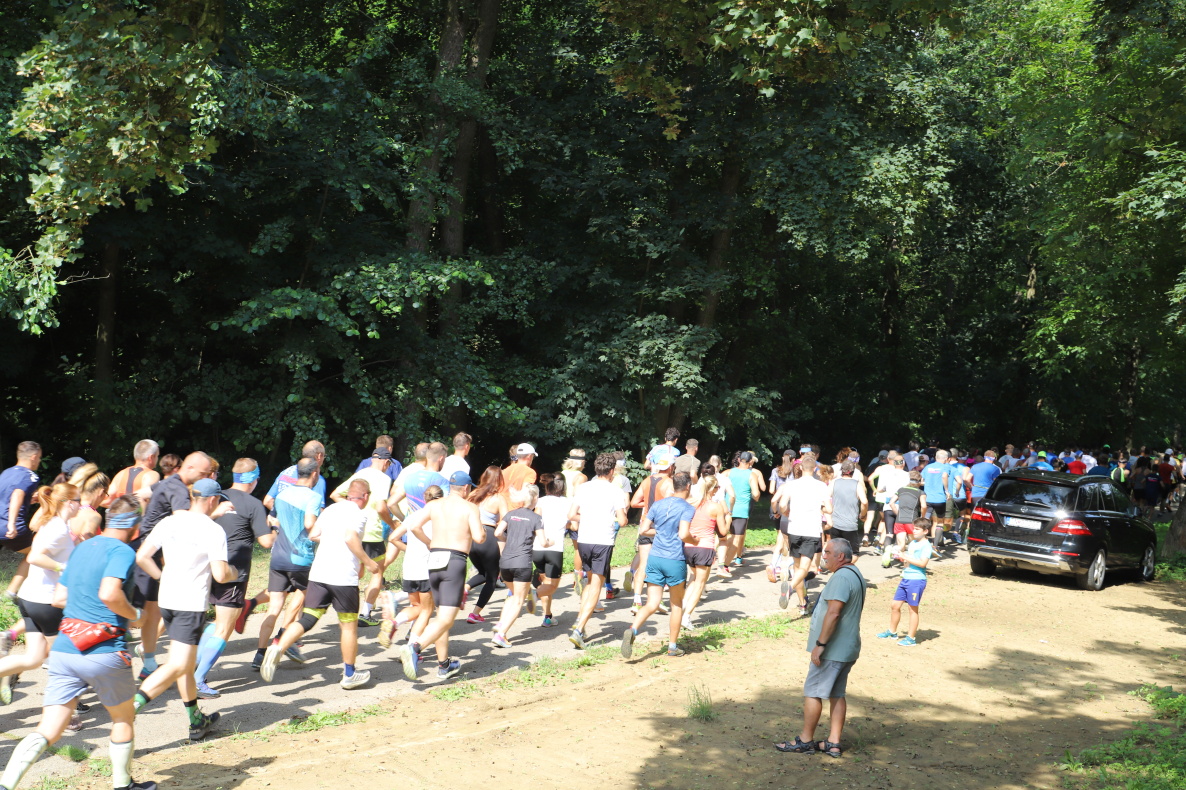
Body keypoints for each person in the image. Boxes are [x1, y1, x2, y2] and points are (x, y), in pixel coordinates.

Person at [0, 495, 156, 790]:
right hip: (105, 651)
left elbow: (60, 597)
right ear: (135, 526)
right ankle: (123, 785)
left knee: (48, 729)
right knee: (123, 719)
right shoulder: (122, 552)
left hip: (65, 648)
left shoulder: (83, 547)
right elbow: (110, 593)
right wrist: (136, 615)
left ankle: (5, 785)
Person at [133, 478, 232, 741]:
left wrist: (162, 578)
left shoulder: (169, 522)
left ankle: (196, 720)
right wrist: (233, 571)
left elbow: (142, 556)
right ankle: (132, 707)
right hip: (190, 604)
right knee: (178, 664)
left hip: (167, 601)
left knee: (186, 665)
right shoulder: (213, 529)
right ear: (213, 500)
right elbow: (221, 574)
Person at [261, 479, 381, 688]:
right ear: (365, 496)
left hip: (319, 574)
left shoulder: (331, 509)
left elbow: (314, 534)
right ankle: (349, 674)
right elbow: (350, 537)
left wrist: (332, 539)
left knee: (308, 618)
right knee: (348, 626)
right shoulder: (359, 513)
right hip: (343, 577)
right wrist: (368, 562)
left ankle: (277, 648)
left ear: (348, 494)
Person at [774, 537, 866, 758]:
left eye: (827, 553)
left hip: (833, 649)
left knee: (813, 692)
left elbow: (833, 613)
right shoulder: (854, 573)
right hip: (847, 648)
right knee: (837, 694)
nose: (823, 556)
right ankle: (833, 743)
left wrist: (820, 645)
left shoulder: (842, 577)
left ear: (840, 556)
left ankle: (805, 741)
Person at [0, 484, 84, 711]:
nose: (81, 505)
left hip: (29, 599)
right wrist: (63, 568)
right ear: (69, 503)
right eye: (78, 500)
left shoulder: (52, 524)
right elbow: (35, 557)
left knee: (34, 659)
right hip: (45, 602)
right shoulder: (57, 528)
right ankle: (69, 715)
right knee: (64, 660)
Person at [195, 458, 273, 698]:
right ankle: (197, 680)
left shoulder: (216, 497)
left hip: (207, 568)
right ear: (254, 480)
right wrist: (277, 530)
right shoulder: (253, 504)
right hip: (233, 573)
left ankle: (191, 669)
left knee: (218, 622)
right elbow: (266, 542)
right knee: (224, 627)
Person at [133, 451, 214, 681]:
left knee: (152, 611)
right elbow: (185, 522)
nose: (206, 477)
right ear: (189, 468)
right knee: (144, 612)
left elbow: (144, 493)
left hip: (151, 548)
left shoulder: (169, 482)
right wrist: (215, 513)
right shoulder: (178, 489)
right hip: (152, 553)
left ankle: (149, 663)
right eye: (204, 473)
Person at [398, 471, 483, 680]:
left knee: (441, 616)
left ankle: (444, 664)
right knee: (446, 618)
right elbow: (479, 537)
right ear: (466, 488)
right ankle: (415, 648)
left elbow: (414, 526)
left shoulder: (434, 505)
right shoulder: (470, 508)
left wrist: (429, 542)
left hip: (434, 559)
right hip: (454, 561)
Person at [252, 458, 321, 671]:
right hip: (300, 558)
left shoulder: (282, 495)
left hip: (278, 557)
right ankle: (283, 637)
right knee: (303, 595)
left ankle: (259, 654)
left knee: (274, 607)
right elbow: (309, 524)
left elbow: (272, 520)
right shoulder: (313, 497)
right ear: (314, 473)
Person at [620, 472, 694, 659]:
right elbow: (684, 534)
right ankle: (672, 647)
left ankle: (633, 629)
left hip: (655, 558)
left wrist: (660, 532)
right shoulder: (687, 508)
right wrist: (695, 539)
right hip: (674, 559)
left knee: (652, 603)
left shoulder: (657, 504)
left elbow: (644, 530)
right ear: (687, 486)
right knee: (676, 605)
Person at [567, 453, 629, 649]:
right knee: (596, 585)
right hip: (603, 541)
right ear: (611, 471)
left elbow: (571, 515)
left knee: (589, 582)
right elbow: (623, 521)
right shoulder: (615, 491)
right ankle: (578, 630)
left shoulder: (584, 487)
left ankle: (580, 620)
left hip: (584, 540)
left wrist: (588, 518)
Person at [330, 448, 397, 625]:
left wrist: (353, 508)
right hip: (372, 533)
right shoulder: (384, 478)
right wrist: (392, 524)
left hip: (354, 531)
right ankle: (365, 614)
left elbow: (335, 495)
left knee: (356, 572)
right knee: (377, 572)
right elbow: (381, 508)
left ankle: (340, 604)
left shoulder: (360, 474)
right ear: (386, 462)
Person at [772, 457, 830, 616]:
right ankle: (789, 589)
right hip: (811, 530)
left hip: (794, 529)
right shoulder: (821, 486)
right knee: (804, 569)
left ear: (801, 468)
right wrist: (821, 508)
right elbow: (830, 509)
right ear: (815, 469)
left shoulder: (791, 484)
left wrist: (785, 512)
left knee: (797, 568)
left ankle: (803, 604)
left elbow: (782, 505)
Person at [491, 485, 547, 647]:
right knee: (519, 600)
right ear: (535, 498)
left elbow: (497, 533)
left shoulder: (511, 514)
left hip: (505, 562)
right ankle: (501, 635)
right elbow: (543, 542)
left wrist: (509, 541)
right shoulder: (536, 518)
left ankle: (501, 624)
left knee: (513, 595)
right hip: (522, 563)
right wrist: (550, 542)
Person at [682, 469, 729, 628]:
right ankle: (686, 616)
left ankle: (683, 606)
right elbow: (723, 532)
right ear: (713, 489)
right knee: (700, 584)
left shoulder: (690, 503)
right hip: (704, 547)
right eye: (718, 487)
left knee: (693, 577)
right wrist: (728, 520)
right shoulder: (716, 507)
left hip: (688, 547)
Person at [626, 456, 674, 612]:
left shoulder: (646, 481)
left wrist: (648, 505)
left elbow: (634, 502)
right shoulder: (669, 482)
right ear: (670, 467)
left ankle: (636, 601)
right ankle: (657, 600)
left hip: (645, 525)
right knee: (661, 563)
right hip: (660, 527)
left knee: (644, 564)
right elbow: (669, 505)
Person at [877, 518, 932, 647]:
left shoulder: (926, 546)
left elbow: (923, 563)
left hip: (917, 580)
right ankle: (892, 632)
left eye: (917, 529)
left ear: (925, 531)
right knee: (895, 605)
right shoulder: (912, 543)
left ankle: (911, 638)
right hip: (906, 578)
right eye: (914, 528)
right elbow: (908, 561)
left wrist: (905, 557)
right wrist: (900, 557)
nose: (914, 531)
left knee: (912, 609)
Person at [463, 466, 507, 624]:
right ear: (499, 480)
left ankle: (466, 588)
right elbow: (506, 520)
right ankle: (475, 613)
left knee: (483, 572)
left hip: (471, 538)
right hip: (488, 537)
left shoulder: (472, 494)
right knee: (492, 578)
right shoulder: (498, 498)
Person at [0, 442, 42, 605]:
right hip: (9, 526)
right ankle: (12, 592)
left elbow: (7, 497)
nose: (39, 461)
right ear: (33, 457)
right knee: (36, 554)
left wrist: (28, 500)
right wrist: (11, 523)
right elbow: (17, 494)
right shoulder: (30, 476)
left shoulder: (7, 472)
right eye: (39, 458)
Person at [533, 476, 569, 627]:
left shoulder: (541, 501)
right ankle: (534, 595)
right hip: (554, 549)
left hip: (538, 547)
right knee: (551, 586)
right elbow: (573, 525)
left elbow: (536, 519)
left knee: (545, 584)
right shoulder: (567, 502)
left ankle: (547, 616)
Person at [721, 451, 766, 569]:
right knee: (736, 539)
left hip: (725, 509)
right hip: (741, 511)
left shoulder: (727, 472)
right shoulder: (752, 475)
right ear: (750, 461)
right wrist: (755, 497)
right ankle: (725, 566)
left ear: (739, 460)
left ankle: (715, 554)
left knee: (722, 536)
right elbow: (756, 494)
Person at [263, 441, 328, 512]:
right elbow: (317, 511)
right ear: (319, 456)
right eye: (324, 456)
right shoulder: (316, 478)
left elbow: (267, 501)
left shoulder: (286, 472)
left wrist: (280, 515)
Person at [884, 471, 926, 567]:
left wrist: (898, 513)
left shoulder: (901, 490)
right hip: (912, 521)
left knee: (901, 544)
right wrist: (922, 517)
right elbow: (923, 506)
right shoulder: (920, 492)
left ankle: (894, 550)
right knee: (912, 545)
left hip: (899, 520)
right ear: (919, 481)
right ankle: (907, 567)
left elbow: (891, 503)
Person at [105, 440, 160, 506]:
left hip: (120, 511)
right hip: (138, 512)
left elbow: (107, 500)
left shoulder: (121, 474)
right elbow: (145, 501)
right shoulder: (151, 475)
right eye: (157, 456)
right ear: (151, 457)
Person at [828, 462, 867, 553]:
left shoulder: (834, 482)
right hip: (850, 525)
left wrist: (829, 511)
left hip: (835, 523)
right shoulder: (857, 484)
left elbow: (825, 497)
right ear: (853, 472)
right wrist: (863, 515)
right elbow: (864, 502)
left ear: (841, 471)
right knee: (853, 554)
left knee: (836, 552)